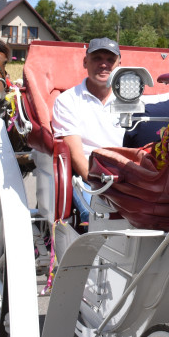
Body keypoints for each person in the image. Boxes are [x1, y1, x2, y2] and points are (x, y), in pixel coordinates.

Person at [52, 37, 126, 226]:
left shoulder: (131, 100)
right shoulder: (68, 101)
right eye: (97, 58)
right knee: (97, 217)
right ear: (85, 62)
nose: (104, 65)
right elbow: (77, 157)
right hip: (89, 178)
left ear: (120, 63)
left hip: (126, 177)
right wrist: (105, 188)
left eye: (110, 60)